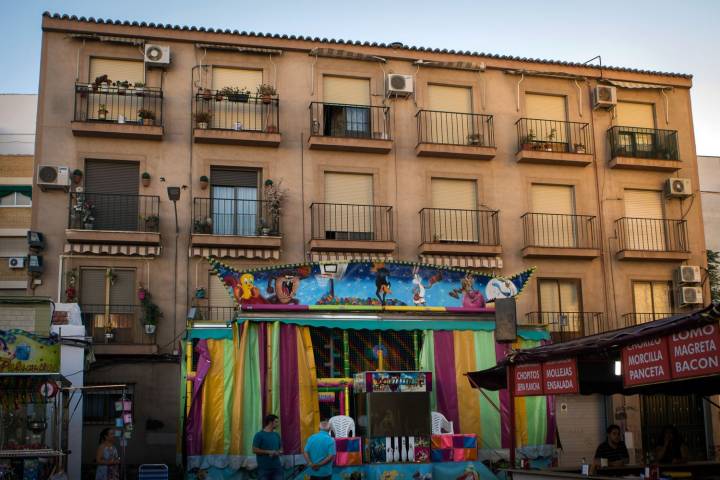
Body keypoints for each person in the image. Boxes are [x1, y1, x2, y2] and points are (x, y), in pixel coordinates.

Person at [253, 414, 283, 480]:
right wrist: (268, 452)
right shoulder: (259, 435)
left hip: (277, 468)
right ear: (270, 422)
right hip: (264, 469)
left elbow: (281, 449)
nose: (277, 424)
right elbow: (254, 450)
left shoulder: (276, 435)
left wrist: (278, 452)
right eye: (276, 422)